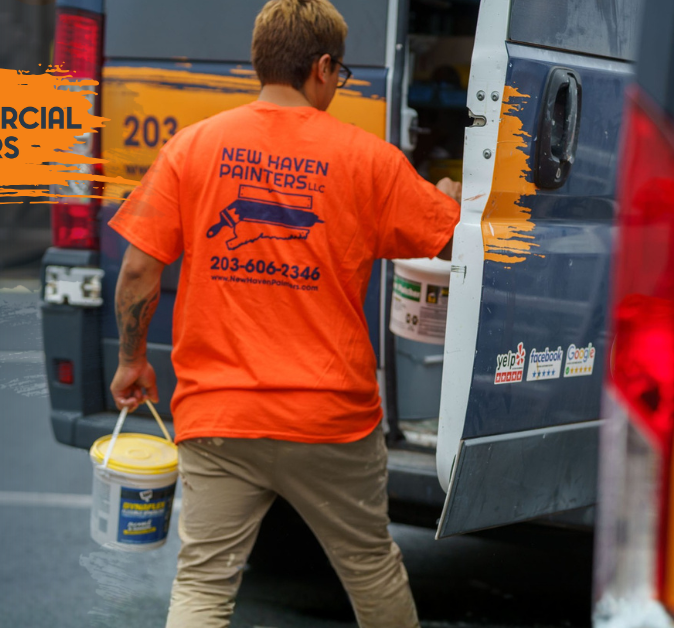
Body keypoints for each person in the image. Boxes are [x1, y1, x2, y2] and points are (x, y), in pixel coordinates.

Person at [107, 0, 462, 626]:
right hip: (330, 418)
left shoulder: (193, 148)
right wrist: (448, 200)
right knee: (371, 567)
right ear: (323, 67)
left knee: (203, 585)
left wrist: (133, 360)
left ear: (259, 62)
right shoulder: (368, 159)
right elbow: (451, 239)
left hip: (219, 415)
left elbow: (138, 269)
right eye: (342, 73)